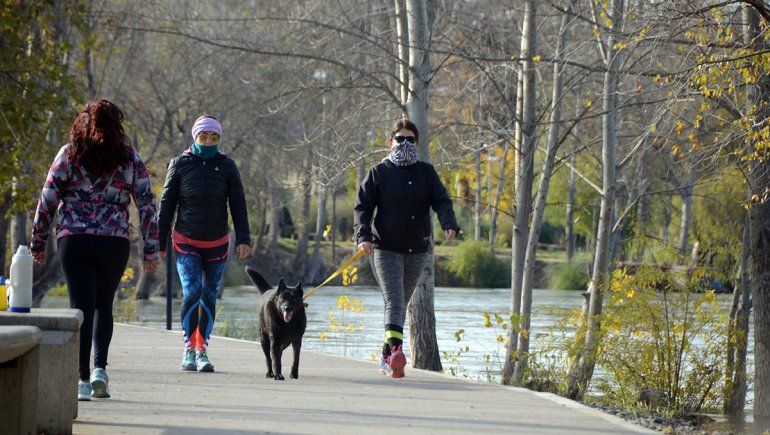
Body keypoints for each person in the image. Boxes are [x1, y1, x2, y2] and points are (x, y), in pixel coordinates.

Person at [30, 98, 159, 401]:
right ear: (118, 126)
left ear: (83, 123)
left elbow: (48, 198)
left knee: (81, 308)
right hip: (113, 241)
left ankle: (82, 380)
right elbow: (146, 205)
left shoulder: (69, 154)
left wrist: (38, 241)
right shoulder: (130, 158)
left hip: (74, 239)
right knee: (104, 305)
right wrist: (150, 249)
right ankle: (101, 369)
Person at [354, 119, 460, 378]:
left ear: (418, 143)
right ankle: (398, 355)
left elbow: (442, 201)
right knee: (394, 300)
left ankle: (386, 358)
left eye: (409, 139)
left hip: (417, 250)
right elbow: (363, 208)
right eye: (399, 139)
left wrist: (449, 223)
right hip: (384, 248)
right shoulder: (379, 172)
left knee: (400, 303)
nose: (404, 144)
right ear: (391, 142)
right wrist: (363, 236)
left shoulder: (426, 172)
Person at [158, 115, 250, 373]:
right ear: (194, 136)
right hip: (186, 240)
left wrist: (244, 238)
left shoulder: (227, 166)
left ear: (219, 139)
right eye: (203, 137)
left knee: (209, 295)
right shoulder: (179, 164)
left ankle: (202, 351)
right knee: (192, 291)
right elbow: (166, 204)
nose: (208, 141)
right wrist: (159, 240)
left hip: (218, 243)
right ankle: (188, 349)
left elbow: (238, 204)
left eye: (213, 137)